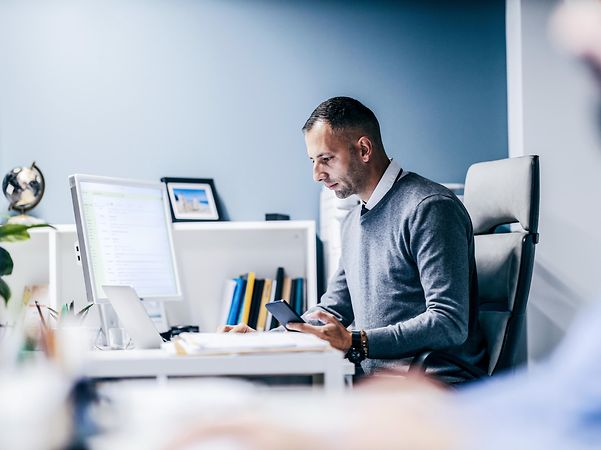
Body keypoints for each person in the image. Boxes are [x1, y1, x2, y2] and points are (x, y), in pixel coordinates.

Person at [224, 96, 486, 383]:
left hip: (429, 386)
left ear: (363, 149)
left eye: (326, 159)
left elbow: (448, 322)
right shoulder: (352, 221)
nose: (316, 174)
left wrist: (356, 342)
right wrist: (264, 340)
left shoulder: (429, 207)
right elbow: (332, 310)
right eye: (313, 161)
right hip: (372, 386)